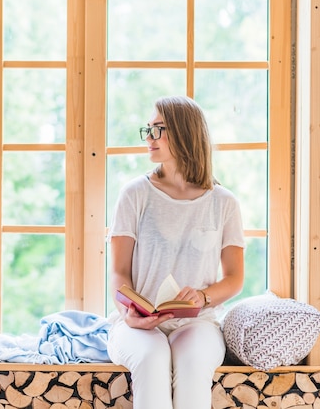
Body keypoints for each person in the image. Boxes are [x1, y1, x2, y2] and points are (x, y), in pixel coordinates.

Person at [106, 95, 245, 409]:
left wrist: (203, 296)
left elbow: (235, 278)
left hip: (198, 324)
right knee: (152, 358)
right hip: (136, 323)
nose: (149, 138)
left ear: (184, 133)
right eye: (148, 129)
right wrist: (129, 314)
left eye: (159, 129)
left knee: (194, 363)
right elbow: (118, 272)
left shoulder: (224, 202)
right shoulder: (134, 194)